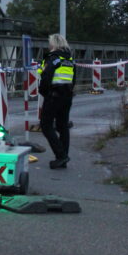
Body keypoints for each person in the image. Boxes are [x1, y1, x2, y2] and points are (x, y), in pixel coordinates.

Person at [38, 34, 75, 169]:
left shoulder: (52, 59)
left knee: (46, 125)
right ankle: (63, 158)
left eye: (49, 43)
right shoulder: (69, 60)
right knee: (63, 127)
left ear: (53, 44)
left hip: (54, 96)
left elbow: (46, 77)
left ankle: (61, 155)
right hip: (67, 96)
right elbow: (73, 79)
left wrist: (44, 92)